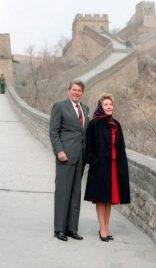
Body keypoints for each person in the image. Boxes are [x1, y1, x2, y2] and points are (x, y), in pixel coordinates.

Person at [84, 93, 131, 242]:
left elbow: (121, 147)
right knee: (100, 199)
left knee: (109, 199)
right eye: (106, 104)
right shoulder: (94, 124)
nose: (109, 106)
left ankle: (105, 227)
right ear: (100, 107)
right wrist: (94, 161)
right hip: (100, 167)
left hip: (114, 167)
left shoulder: (116, 124)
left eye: (111, 104)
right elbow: (88, 145)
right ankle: (102, 229)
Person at [49, 80, 89, 242]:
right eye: (74, 90)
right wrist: (59, 151)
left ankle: (72, 228)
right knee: (63, 192)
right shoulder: (60, 106)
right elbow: (53, 131)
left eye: (79, 90)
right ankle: (59, 229)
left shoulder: (85, 109)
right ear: (69, 91)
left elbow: (84, 133)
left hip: (81, 156)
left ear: (82, 93)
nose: (76, 92)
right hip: (65, 156)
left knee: (75, 192)